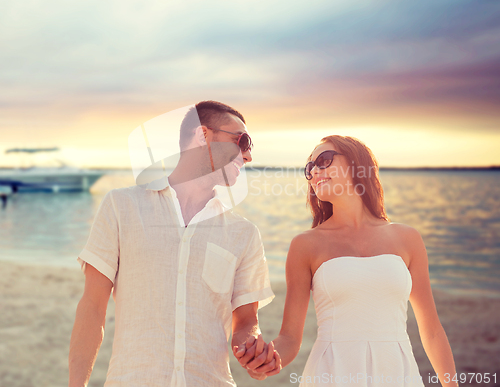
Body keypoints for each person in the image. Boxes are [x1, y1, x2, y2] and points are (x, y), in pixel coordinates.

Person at [69, 101, 280, 387]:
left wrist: (254, 353)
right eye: (242, 141)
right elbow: (92, 308)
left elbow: (245, 321)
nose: (248, 155)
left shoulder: (244, 234)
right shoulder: (122, 206)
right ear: (203, 135)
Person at [234, 135, 458, 387]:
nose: (314, 171)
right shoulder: (305, 245)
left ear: (356, 164)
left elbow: (432, 330)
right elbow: (290, 338)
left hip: (397, 372)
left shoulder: (407, 238)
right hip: (332, 373)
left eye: (324, 160)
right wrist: (266, 361)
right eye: (309, 168)